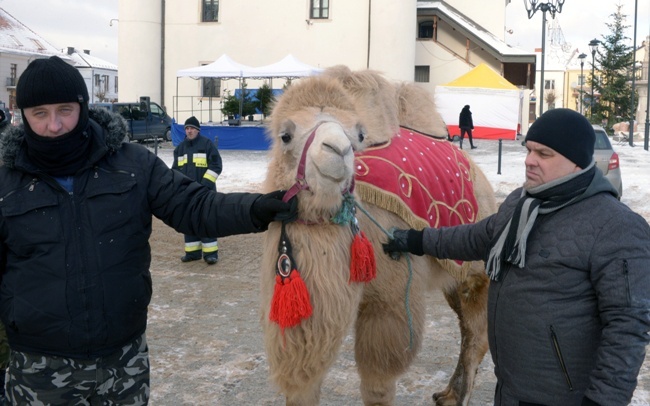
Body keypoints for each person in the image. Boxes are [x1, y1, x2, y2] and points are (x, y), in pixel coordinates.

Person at [0, 55, 292, 405]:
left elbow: (194, 206)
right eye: (40, 113)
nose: (54, 125)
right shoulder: (6, 181)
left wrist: (257, 208)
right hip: (38, 367)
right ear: (24, 116)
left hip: (123, 362)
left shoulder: (131, 163)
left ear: (82, 106)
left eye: (64, 109)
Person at [383, 108, 650, 405]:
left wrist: (602, 401)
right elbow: (476, 238)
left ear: (577, 161)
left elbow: (628, 328)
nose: (529, 160)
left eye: (544, 154)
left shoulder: (616, 227)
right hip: (511, 390)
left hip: (563, 398)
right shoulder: (522, 204)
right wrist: (416, 239)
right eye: (529, 150)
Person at [172, 116, 223, 264]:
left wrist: (205, 185)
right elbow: (175, 170)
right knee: (188, 221)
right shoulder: (180, 149)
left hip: (205, 192)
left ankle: (210, 254)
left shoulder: (207, 145)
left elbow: (216, 166)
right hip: (187, 193)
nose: (189, 131)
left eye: (192, 128)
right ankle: (193, 252)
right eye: (187, 128)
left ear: (198, 130)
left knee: (206, 221)